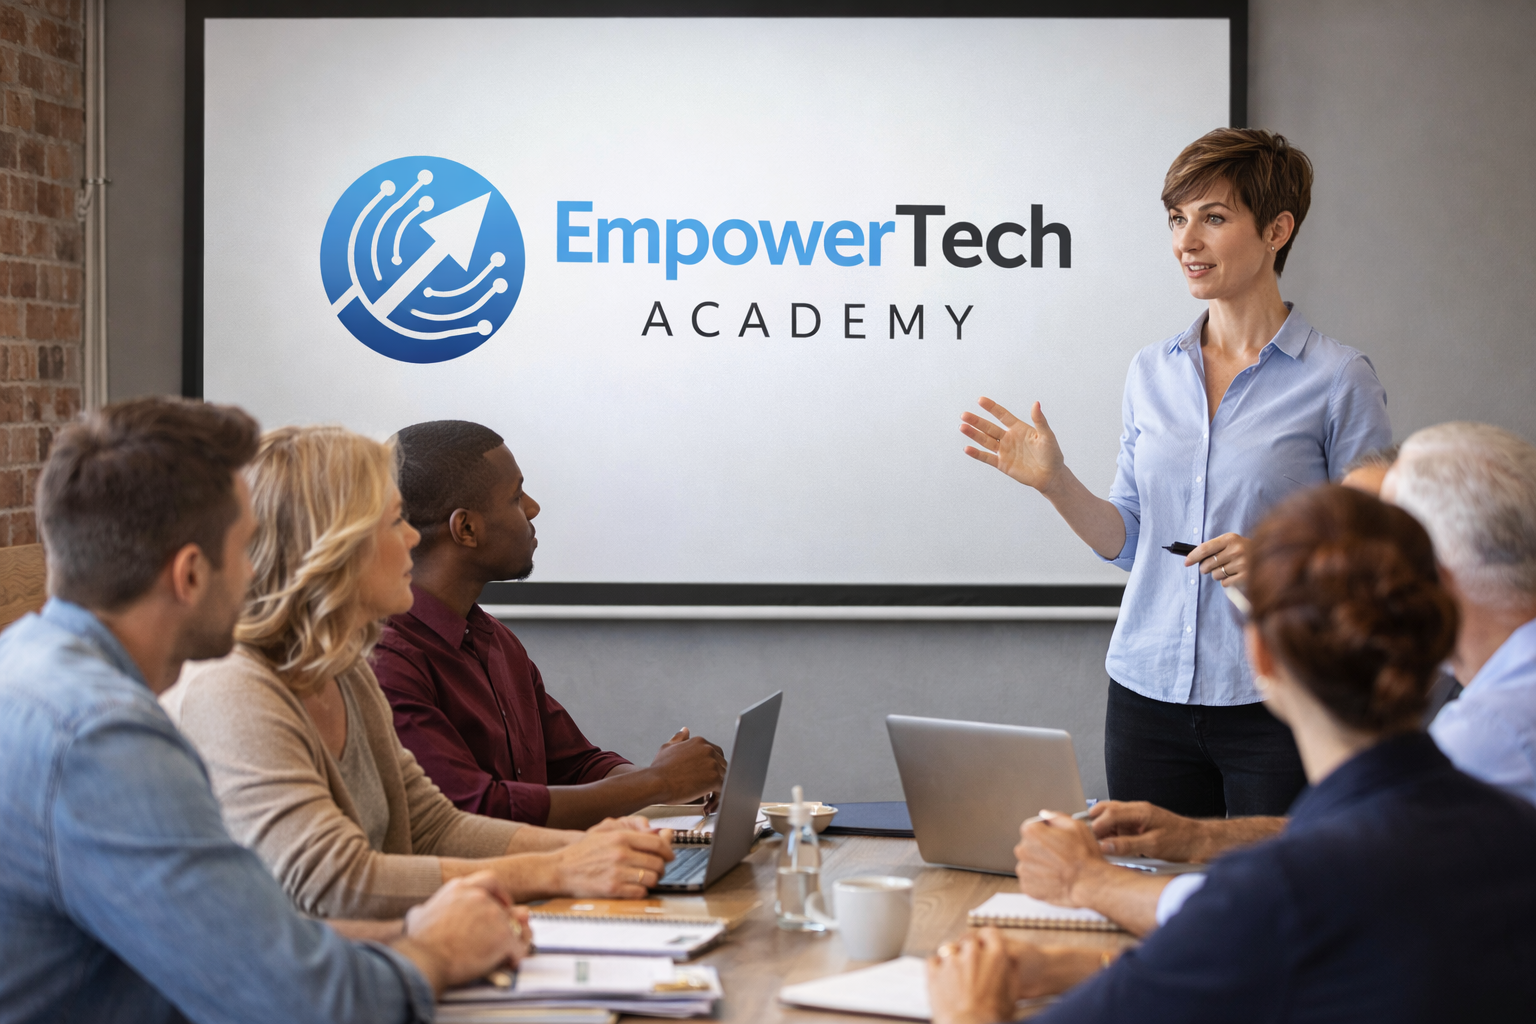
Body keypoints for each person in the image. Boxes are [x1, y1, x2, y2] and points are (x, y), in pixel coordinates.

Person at [0, 397, 529, 1024]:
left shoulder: (30, 670)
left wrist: (412, 928)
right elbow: (301, 1000)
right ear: (191, 575)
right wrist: (435, 950)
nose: (261, 569)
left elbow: (244, 943)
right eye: (247, 546)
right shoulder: (104, 739)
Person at [928, 485, 1536, 1024]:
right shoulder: (1514, 830)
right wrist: (1072, 969)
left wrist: (971, 1008)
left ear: (1263, 660)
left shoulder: (1277, 892)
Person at [960, 129, 1390, 817]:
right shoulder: (1150, 371)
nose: (1186, 241)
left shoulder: (1339, 379)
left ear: (1278, 229)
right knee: (1146, 898)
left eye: (1213, 218)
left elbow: (1377, 555)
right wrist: (1055, 481)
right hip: (1145, 696)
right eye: (1176, 218)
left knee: (1266, 905)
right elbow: (1129, 542)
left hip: (1275, 699)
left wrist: (1281, 566)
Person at [1011, 421, 1536, 937]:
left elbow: (1309, 893)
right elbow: (1366, 831)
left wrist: (1088, 881)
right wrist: (1197, 836)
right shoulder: (1489, 688)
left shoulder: (1493, 729)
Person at [163, 425, 674, 921]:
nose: (412, 537)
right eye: (391, 523)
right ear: (332, 547)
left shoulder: (344, 672)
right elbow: (337, 881)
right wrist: (560, 866)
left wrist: (606, 850)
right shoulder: (230, 687)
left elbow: (433, 826)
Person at [371, 420, 727, 829]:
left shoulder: (495, 640)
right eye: (516, 496)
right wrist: (657, 783)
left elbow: (576, 766)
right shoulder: (387, 660)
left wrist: (678, 783)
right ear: (466, 529)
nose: (533, 508)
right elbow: (477, 812)